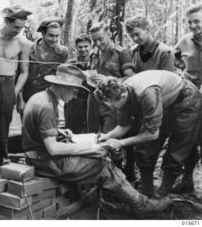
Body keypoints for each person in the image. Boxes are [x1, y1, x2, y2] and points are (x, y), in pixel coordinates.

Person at [22, 64, 171, 213]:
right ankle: (141, 205)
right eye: (75, 90)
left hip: (38, 155)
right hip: (45, 162)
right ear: (63, 86)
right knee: (101, 163)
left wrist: (59, 132)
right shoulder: (47, 107)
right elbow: (54, 149)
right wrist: (89, 148)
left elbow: (38, 129)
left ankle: (110, 195)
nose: (75, 95)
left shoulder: (41, 97)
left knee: (95, 156)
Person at [94, 70, 202, 197]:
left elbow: (152, 134)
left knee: (179, 146)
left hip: (186, 100)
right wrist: (108, 136)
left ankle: (163, 193)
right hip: (164, 101)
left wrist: (121, 142)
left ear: (122, 97)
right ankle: (147, 189)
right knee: (145, 149)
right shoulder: (122, 92)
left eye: (112, 105)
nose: (111, 108)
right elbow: (124, 125)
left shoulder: (147, 93)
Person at [85, 22, 136, 180]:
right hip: (94, 100)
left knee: (111, 137)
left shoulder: (121, 53)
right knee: (93, 135)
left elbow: (132, 78)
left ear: (110, 35)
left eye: (101, 39)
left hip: (113, 103)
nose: (98, 44)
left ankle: (117, 175)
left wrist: (110, 79)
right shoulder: (94, 54)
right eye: (95, 41)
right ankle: (98, 172)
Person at [0, 6, 32, 166]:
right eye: (16, 26)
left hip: (7, 83)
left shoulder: (23, 43)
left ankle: (0, 156)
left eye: (22, 27)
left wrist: (14, 92)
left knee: (4, 122)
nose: (19, 30)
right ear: (6, 21)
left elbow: (24, 72)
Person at [173, 3, 202, 193]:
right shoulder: (184, 41)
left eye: (197, 21)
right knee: (187, 139)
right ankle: (187, 180)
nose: (193, 26)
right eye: (190, 22)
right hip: (191, 98)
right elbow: (173, 56)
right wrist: (179, 72)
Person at [64, 34, 93, 134]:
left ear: (91, 46)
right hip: (74, 102)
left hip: (91, 100)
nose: (83, 49)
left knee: (90, 131)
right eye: (80, 47)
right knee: (72, 131)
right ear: (76, 48)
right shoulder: (70, 64)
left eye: (86, 46)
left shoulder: (95, 62)